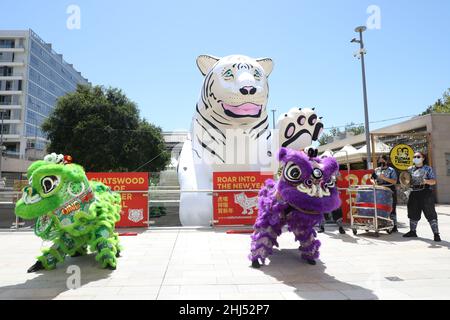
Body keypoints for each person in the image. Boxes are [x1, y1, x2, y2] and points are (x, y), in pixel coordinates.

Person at [403, 152, 441, 242]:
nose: (416, 158)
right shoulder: (410, 169)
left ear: (423, 158)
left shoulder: (428, 168)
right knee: (413, 212)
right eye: (414, 157)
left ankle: (436, 234)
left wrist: (426, 181)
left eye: (418, 156)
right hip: (413, 192)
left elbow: (434, 181)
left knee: (430, 213)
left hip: (425, 192)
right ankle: (413, 231)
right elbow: (405, 180)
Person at [371, 155, 398, 232]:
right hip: (379, 191)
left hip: (390, 190)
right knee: (380, 208)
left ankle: (394, 225)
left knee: (391, 208)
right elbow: (372, 178)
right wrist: (374, 182)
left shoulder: (391, 170)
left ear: (386, 161)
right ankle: (382, 224)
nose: (380, 162)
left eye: (382, 161)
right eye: (379, 161)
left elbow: (394, 181)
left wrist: (384, 178)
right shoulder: (376, 170)